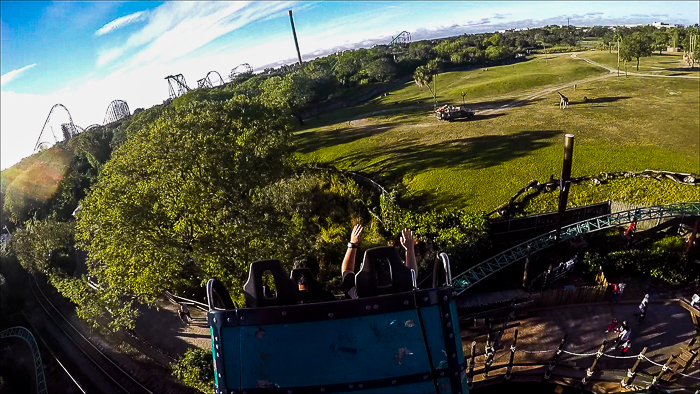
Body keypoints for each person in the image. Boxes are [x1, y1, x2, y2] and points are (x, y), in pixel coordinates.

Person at [341, 224, 417, 299]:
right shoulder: (402, 288)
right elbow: (411, 274)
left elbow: (347, 270)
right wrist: (409, 249)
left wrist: (353, 244)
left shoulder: (358, 291)